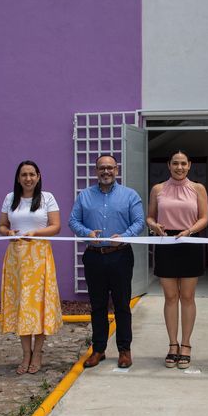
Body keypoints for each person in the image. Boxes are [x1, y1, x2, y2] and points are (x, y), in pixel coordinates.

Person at [68, 154, 145, 369]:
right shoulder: (84, 196)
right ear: (96, 171)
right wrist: (86, 233)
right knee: (98, 306)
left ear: (116, 170)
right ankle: (98, 350)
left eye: (110, 168)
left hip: (120, 255)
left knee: (122, 305)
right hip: (94, 256)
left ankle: (124, 350)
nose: (106, 172)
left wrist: (125, 235)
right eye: (102, 168)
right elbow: (73, 220)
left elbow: (139, 221)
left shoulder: (130, 196)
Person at [0, 160, 62, 375]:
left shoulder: (47, 198)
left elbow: (56, 227)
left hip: (39, 257)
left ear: (39, 175)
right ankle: (26, 353)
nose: (28, 178)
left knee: (38, 304)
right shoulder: (10, 198)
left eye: (32, 174)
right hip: (16, 258)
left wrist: (35, 233)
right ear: (18, 178)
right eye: (24, 175)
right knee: (21, 305)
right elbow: (2, 226)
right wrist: (8, 233)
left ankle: (38, 352)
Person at [146, 150, 208, 369]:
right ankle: (173, 344)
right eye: (175, 163)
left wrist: (189, 231)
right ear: (168, 165)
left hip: (190, 241)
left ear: (189, 165)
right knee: (170, 297)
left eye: (183, 163)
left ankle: (186, 345)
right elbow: (150, 216)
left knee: (188, 297)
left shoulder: (198, 188)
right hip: (166, 243)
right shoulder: (158, 189)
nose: (179, 167)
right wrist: (154, 225)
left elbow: (204, 218)